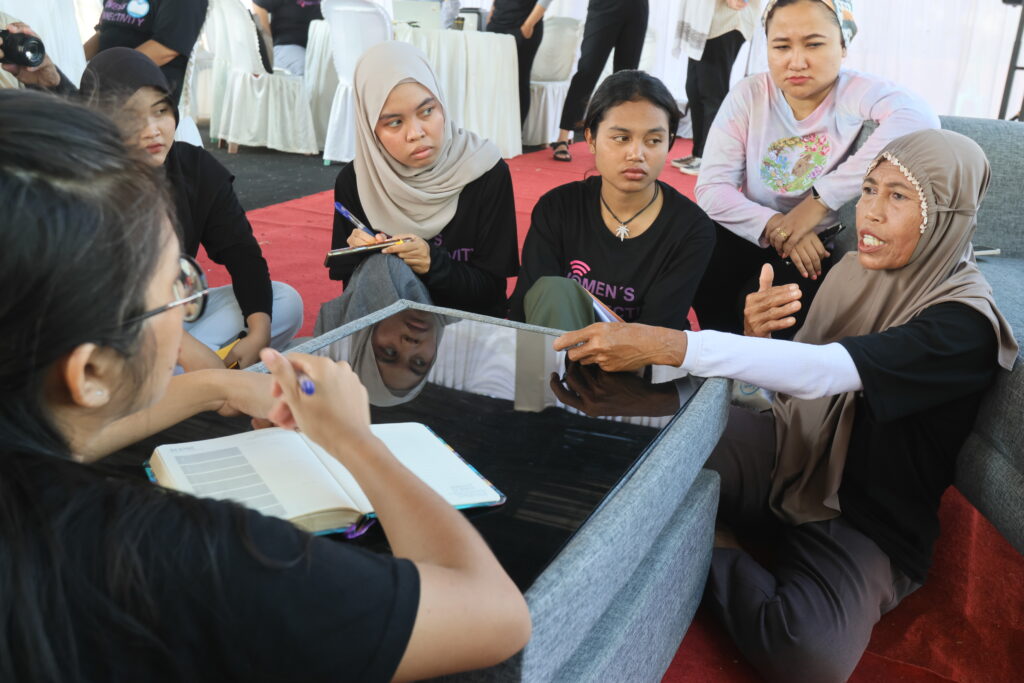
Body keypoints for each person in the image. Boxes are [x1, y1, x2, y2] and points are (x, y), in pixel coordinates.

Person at [0, 87, 530, 681]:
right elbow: (496, 617)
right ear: (93, 372)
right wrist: (357, 443)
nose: (186, 304)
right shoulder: (179, 555)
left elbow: (58, 437)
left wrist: (217, 388)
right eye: (176, 287)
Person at [552, 128, 1018, 682]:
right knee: (635, 435)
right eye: (869, 189)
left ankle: (712, 535)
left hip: (865, 517)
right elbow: (793, 392)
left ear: (947, 214)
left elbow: (827, 372)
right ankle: (707, 512)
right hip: (791, 448)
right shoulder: (855, 272)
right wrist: (757, 337)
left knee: (807, 656)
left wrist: (671, 344)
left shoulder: (964, 327)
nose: (870, 211)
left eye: (898, 196)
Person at [691, 0, 939, 338]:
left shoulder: (853, 91)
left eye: (814, 44)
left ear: (843, 45)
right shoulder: (750, 94)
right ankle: (717, 360)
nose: (796, 61)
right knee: (701, 256)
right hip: (750, 228)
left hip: (814, 249)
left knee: (775, 311)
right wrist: (778, 226)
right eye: (781, 46)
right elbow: (711, 188)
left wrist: (819, 203)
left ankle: (761, 366)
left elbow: (920, 117)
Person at [80, 48, 303, 369]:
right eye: (131, 117)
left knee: (284, 302)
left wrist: (258, 333)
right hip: (114, 334)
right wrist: (199, 358)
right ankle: (203, 374)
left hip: (178, 314)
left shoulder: (194, 168)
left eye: (160, 111)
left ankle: (195, 375)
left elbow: (241, 253)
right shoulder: (85, 187)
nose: (152, 129)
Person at [510, 70, 715, 331]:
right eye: (621, 138)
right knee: (554, 290)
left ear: (670, 142)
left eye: (654, 140)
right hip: (557, 350)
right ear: (591, 139)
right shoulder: (559, 208)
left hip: (642, 354)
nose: (636, 154)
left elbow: (659, 330)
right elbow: (530, 306)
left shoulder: (690, 228)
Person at [330, 41, 519, 320]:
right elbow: (355, 296)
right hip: (388, 333)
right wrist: (363, 256)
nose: (416, 133)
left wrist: (433, 264)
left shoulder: (484, 170)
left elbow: (492, 293)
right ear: (370, 129)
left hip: (466, 327)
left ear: (442, 104)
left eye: (427, 111)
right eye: (394, 122)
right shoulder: (358, 181)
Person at [549, 0, 649, 162]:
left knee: (627, 79)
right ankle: (563, 137)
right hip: (604, 7)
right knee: (587, 71)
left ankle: (620, 139)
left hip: (636, 7)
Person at [671, 0, 759, 176]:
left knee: (712, 93)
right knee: (694, 90)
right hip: (701, 21)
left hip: (724, 22)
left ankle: (710, 158)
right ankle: (698, 153)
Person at [84, 0, 208, 105]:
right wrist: (76, 61)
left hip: (143, 94)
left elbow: (166, 49)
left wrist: (105, 75)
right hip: (101, 85)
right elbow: (104, 32)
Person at [486, 0, 552, 126]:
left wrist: (528, 25)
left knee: (519, 81)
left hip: (522, 26)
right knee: (494, 82)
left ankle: (516, 132)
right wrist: (491, 13)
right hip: (496, 24)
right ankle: (496, 130)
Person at [252, 0, 323, 77]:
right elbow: (259, 5)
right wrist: (267, 53)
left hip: (321, 48)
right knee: (309, 72)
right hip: (287, 45)